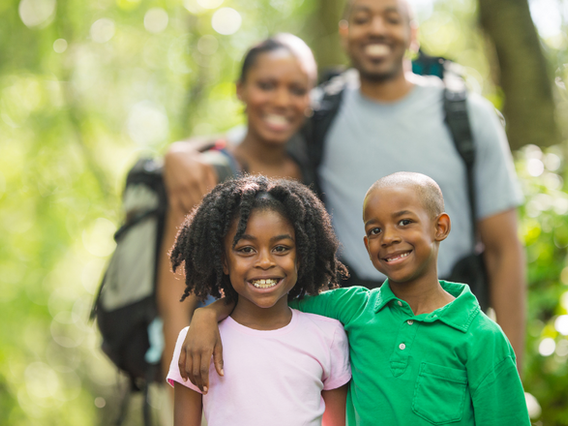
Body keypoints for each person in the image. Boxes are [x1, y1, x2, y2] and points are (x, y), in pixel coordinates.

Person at [166, 0, 526, 367]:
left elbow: (504, 250)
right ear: (345, 33)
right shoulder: (320, 111)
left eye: (391, 18)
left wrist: (511, 368)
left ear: (413, 34)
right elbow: (253, 135)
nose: (376, 29)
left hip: (455, 333)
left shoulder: (468, 116)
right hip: (357, 335)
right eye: (362, 18)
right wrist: (179, 153)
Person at [180, 172, 531, 426]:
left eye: (404, 222)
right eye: (375, 230)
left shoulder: (482, 337)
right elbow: (265, 294)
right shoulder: (351, 309)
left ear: (439, 227)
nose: (389, 238)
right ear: (365, 244)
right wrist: (206, 316)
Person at [156, 33, 319, 383]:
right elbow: (175, 305)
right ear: (240, 90)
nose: (281, 100)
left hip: (295, 379)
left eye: (296, 89)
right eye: (266, 85)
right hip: (222, 376)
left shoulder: (312, 170)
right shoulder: (205, 175)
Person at [166, 175, 351, 426]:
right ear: (223, 261)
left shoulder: (329, 336)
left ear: (301, 257)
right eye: (246, 250)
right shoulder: (197, 341)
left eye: (281, 248)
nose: (265, 261)